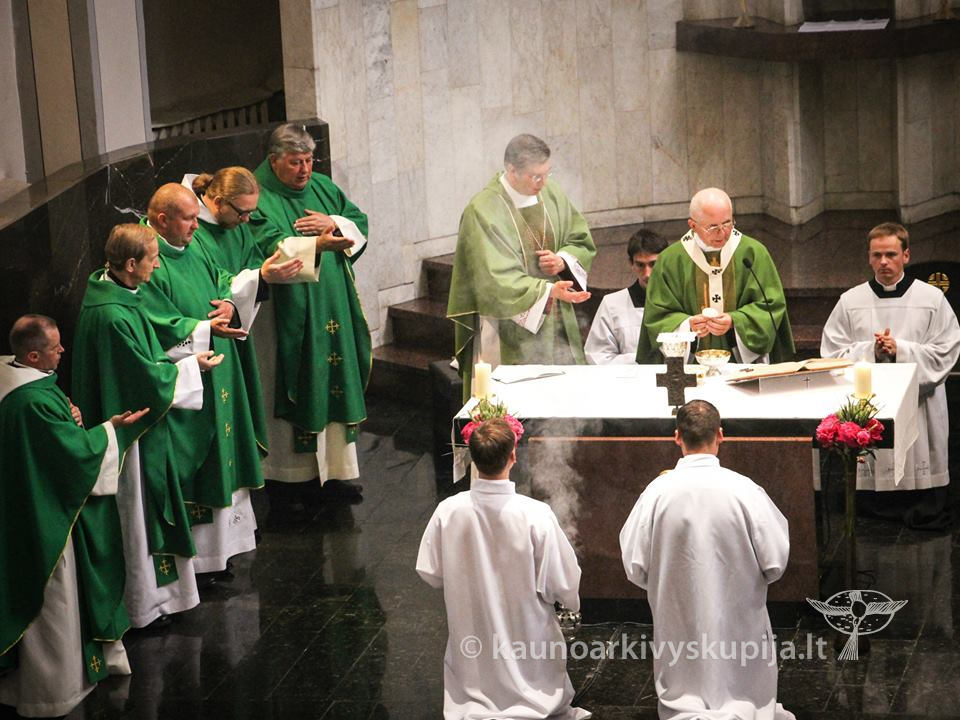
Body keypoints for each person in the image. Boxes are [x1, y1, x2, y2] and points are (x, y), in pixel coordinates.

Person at [140, 183, 298, 577]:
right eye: (189, 219)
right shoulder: (145, 256)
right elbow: (153, 320)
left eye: (197, 217)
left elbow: (221, 277)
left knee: (225, 451)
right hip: (188, 378)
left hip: (219, 366)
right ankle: (200, 560)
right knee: (201, 464)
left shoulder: (194, 244)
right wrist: (204, 329)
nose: (198, 226)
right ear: (163, 220)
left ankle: (225, 550)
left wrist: (229, 300)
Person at [72, 224, 218, 629]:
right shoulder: (111, 315)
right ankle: (144, 605)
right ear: (131, 264)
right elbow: (142, 379)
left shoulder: (120, 296)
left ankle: (164, 598)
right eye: (152, 260)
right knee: (136, 514)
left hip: (140, 423)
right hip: (129, 433)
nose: (157, 266)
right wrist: (191, 367)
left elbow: (145, 360)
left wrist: (182, 362)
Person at [0, 315, 146, 717]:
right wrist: (110, 430)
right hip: (43, 515)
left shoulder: (23, 383)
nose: (63, 351)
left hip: (32, 504)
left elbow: (57, 438)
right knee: (54, 601)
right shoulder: (30, 402)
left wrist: (76, 421)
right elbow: (71, 455)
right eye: (55, 347)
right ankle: (52, 692)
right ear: (33, 356)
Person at [620, 400, 794, 720]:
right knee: (741, 670)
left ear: (677, 437)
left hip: (677, 610)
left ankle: (687, 708)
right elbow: (775, 560)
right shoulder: (744, 490)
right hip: (739, 612)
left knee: (683, 661)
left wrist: (667, 583)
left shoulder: (657, 493)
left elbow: (634, 563)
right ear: (720, 435)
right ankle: (741, 705)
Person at [416, 418, 589, 720]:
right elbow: (562, 581)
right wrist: (569, 602)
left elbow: (429, 571)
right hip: (526, 631)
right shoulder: (534, 514)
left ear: (473, 458)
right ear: (513, 456)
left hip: (472, 630)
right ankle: (531, 701)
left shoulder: (449, 510)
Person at [250, 123, 371, 501]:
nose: (304, 170)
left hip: (333, 304)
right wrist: (316, 245)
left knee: (334, 378)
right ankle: (290, 478)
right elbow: (266, 245)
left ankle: (335, 472)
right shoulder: (257, 195)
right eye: (295, 162)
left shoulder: (322, 186)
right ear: (274, 160)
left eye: (308, 161)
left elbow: (358, 221)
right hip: (287, 313)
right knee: (299, 382)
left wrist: (334, 223)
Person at [821, 222, 960, 527]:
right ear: (869, 258)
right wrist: (871, 351)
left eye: (891, 254)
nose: (884, 262)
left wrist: (901, 350)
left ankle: (922, 504)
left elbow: (946, 351)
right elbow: (832, 355)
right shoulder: (850, 301)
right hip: (872, 402)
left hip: (920, 404)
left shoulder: (932, 299)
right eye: (877, 255)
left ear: (906, 255)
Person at [448, 134, 596, 401]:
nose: (543, 183)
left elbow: (579, 238)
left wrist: (562, 260)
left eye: (547, 174)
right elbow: (493, 278)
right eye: (536, 176)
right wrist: (548, 291)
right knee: (508, 405)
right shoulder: (483, 210)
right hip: (504, 326)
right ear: (511, 170)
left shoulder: (551, 194)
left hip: (555, 315)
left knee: (559, 400)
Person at [635, 187, 794, 364]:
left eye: (727, 223)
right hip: (692, 367)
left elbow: (771, 306)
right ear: (692, 225)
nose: (722, 233)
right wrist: (687, 325)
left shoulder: (753, 253)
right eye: (712, 227)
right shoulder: (671, 260)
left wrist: (735, 321)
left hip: (742, 365)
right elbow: (658, 315)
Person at [585, 229, 668, 364]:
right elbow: (598, 356)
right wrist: (641, 360)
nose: (647, 274)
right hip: (629, 376)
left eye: (653, 264)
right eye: (640, 265)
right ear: (631, 264)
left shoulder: (682, 299)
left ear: (666, 262)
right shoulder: (612, 304)